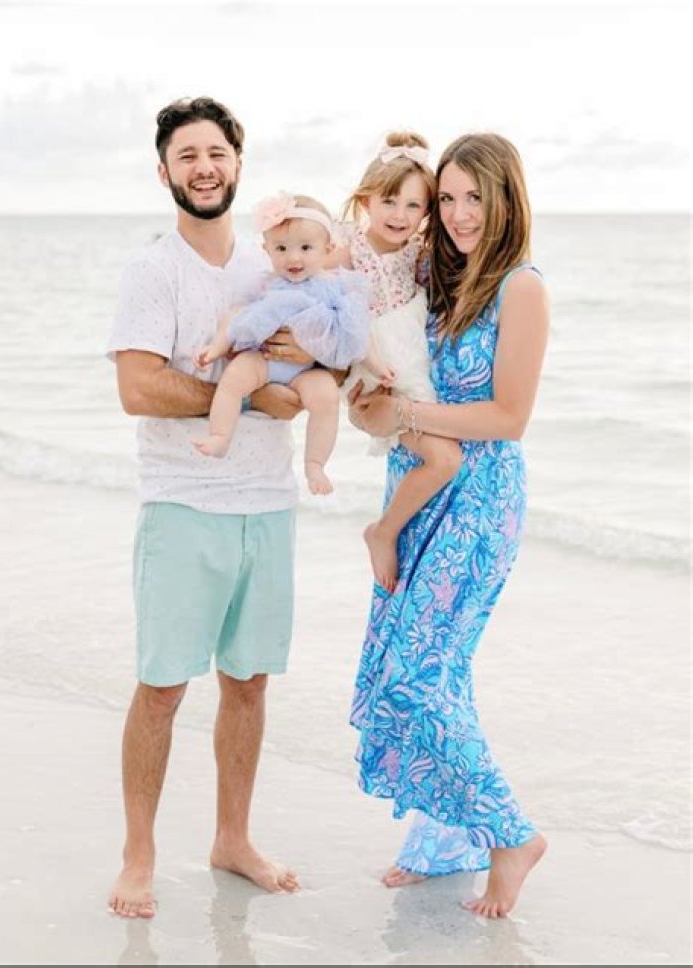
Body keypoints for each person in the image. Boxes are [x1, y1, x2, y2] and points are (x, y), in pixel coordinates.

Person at [106, 96, 310, 918]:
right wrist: (247, 397)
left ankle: (232, 839)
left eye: (216, 153)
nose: (204, 167)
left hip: (269, 502)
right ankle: (139, 855)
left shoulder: (273, 266)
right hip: (183, 503)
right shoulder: (154, 271)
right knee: (162, 688)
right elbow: (138, 386)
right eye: (187, 155)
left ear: (238, 164)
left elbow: (310, 359)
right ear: (164, 173)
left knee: (249, 683)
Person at [348, 132, 550, 918]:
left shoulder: (521, 288)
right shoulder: (438, 276)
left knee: (416, 676)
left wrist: (403, 416)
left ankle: (511, 835)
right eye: (449, 199)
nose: (461, 214)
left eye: (476, 198)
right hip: (417, 491)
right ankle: (445, 841)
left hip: (479, 501)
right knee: (439, 672)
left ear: (506, 200)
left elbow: (507, 417)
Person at [192, 192, 392, 495]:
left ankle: (315, 464)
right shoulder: (265, 284)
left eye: (306, 248)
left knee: (326, 397)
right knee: (234, 378)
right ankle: (220, 436)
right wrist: (216, 347)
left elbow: (359, 333)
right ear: (267, 250)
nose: (293, 258)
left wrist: (378, 367)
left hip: (306, 371)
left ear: (328, 249)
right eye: (281, 248)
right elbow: (235, 317)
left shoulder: (336, 287)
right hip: (263, 360)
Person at [332, 132, 463, 591]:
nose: (400, 215)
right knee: (445, 458)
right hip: (377, 370)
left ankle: (401, 530)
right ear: (366, 200)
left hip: (411, 361)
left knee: (446, 453)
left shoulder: (418, 255)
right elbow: (310, 292)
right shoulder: (347, 251)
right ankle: (383, 531)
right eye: (389, 201)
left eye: (413, 205)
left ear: (426, 212)